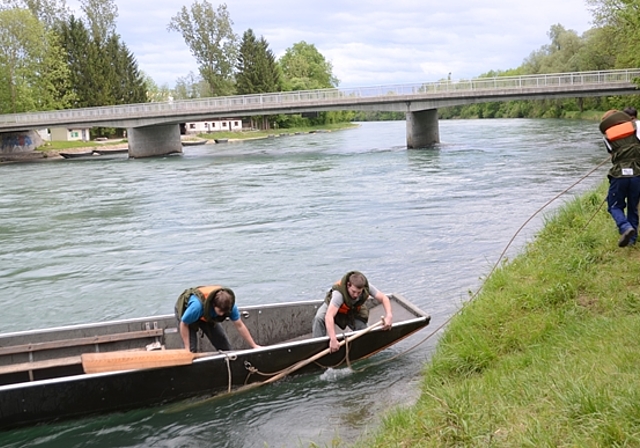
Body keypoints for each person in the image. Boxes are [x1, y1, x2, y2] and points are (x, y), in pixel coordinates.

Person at [312, 271, 393, 353]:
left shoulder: (367, 287)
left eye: (359, 292)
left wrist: (389, 316)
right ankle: (316, 348)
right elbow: (329, 316)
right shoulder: (338, 295)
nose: (356, 295)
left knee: (364, 332)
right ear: (348, 285)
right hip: (333, 307)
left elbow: (384, 298)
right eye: (353, 292)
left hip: (351, 310)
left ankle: (354, 343)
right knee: (319, 318)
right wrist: (333, 339)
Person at [175, 285, 260, 352]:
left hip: (207, 316)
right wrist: (187, 348)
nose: (222, 314)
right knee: (191, 350)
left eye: (224, 311)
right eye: (220, 311)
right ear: (214, 305)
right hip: (188, 313)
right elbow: (184, 324)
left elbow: (240, 325)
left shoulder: (230, 307)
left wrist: (254, 345)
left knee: (224, 345)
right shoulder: (196, 307)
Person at [599, 109, 640, 247]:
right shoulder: (637, 127)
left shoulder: (607, 136)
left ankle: (625, 227)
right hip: (637, 174)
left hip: (619, 175)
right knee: (633, 206)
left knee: (614, 206)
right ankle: (632, 241)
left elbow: (612, 153)